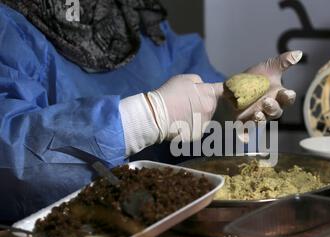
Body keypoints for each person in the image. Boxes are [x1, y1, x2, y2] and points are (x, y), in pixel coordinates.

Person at [0, 1, 302, 224]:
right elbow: (11, 162)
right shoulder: (8, 27)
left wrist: (227, 110)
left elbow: (210, 149)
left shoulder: (132, 17)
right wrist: (147, 117)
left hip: (169, 232)